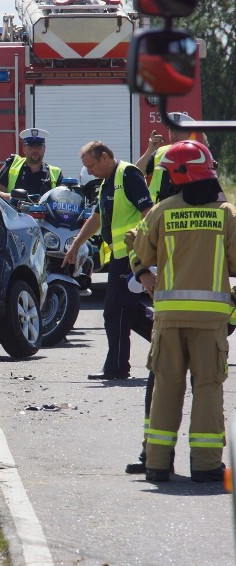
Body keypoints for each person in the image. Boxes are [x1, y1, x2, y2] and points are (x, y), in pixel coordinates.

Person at [125, 140, 236, 483]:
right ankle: (205, 465)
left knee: (166, 387)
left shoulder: (161, 211)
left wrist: (143, 273)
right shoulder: (226, 214)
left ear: (174, 174)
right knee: (207, 387)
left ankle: (157, 463)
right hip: (211, 320)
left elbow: (141, 254)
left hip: (169, 318)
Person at [63, 141, 153, 380]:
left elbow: (148, 212)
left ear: (104, 157)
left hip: (133, 256)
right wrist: (76, 244)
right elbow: (97, 217)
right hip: (120, 257)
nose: (89, 171)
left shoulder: (129, 174)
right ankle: (174, 345)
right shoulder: (106, 183)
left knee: (114, 311)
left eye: (91, 165)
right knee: (130, 312)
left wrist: (146, 249)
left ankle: (116, 368)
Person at [135, 112, 209, 203]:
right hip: (159, 211)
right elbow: (136, 173)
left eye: (178, 131)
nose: (173, 135)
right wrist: (150, 150)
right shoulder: (160, 152)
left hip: (185, 212)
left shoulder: (198, 156)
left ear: (189, 133)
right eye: (171, 130)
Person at [0, 128, 63, 202]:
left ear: (44, 149)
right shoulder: (12, 164)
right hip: (15, 212)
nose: (35, 150)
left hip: (44, 213)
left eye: (38, 146)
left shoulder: (56, 173)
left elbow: (63, 200)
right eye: (30, 146)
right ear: (24, 148)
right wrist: (13, 198)